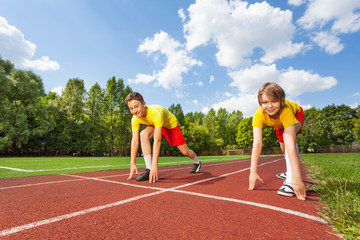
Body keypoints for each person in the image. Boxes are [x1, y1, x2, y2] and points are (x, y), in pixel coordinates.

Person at [125, 92, 202, 183]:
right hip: (155, 125)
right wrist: (132, 163)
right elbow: (134, 141)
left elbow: (157, 141)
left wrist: (155, 165)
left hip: (170, 125)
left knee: (185, 151)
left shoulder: (155, 113)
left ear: (144, 104)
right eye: (131, 108)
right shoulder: (135, 118)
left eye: (136, 106)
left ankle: (197, 162)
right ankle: (148, 169)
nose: (134, 111)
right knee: (143, 134)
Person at [248, 82, 306, 200]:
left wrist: (297, 178)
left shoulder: (286, 110)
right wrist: (253, 172)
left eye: (274, 101)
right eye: (265, 102)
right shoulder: (259, 114)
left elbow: (290, 142)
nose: (269, 106)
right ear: (260, 103)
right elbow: (257, 143)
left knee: (288, 138)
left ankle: (290, 179)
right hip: (278, 123)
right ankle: (288, 170)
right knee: (283, 146)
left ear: (281, 101)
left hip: (296, 114)